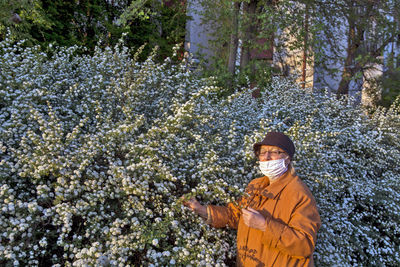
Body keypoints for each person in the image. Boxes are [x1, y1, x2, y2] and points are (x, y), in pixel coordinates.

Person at [183, 132, 321, 266]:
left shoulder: (299, 195)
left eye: (274, 152)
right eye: (262, 152)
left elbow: (304, 245)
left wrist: (265, 226)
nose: (266, 157)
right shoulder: (255, 185)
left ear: (287, 158)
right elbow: (235, 215)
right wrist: (200, 209)